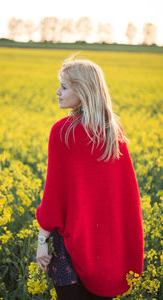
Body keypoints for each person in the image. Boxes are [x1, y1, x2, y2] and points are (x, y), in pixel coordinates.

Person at [35, 56, 144, 300]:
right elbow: (126, 198)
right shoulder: (113, 132)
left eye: (64, 87)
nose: (57, 92)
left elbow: (53, 196)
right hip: (109, 251)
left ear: (83, 91)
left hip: (72, 250)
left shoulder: (62, 131)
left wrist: (42, 239)